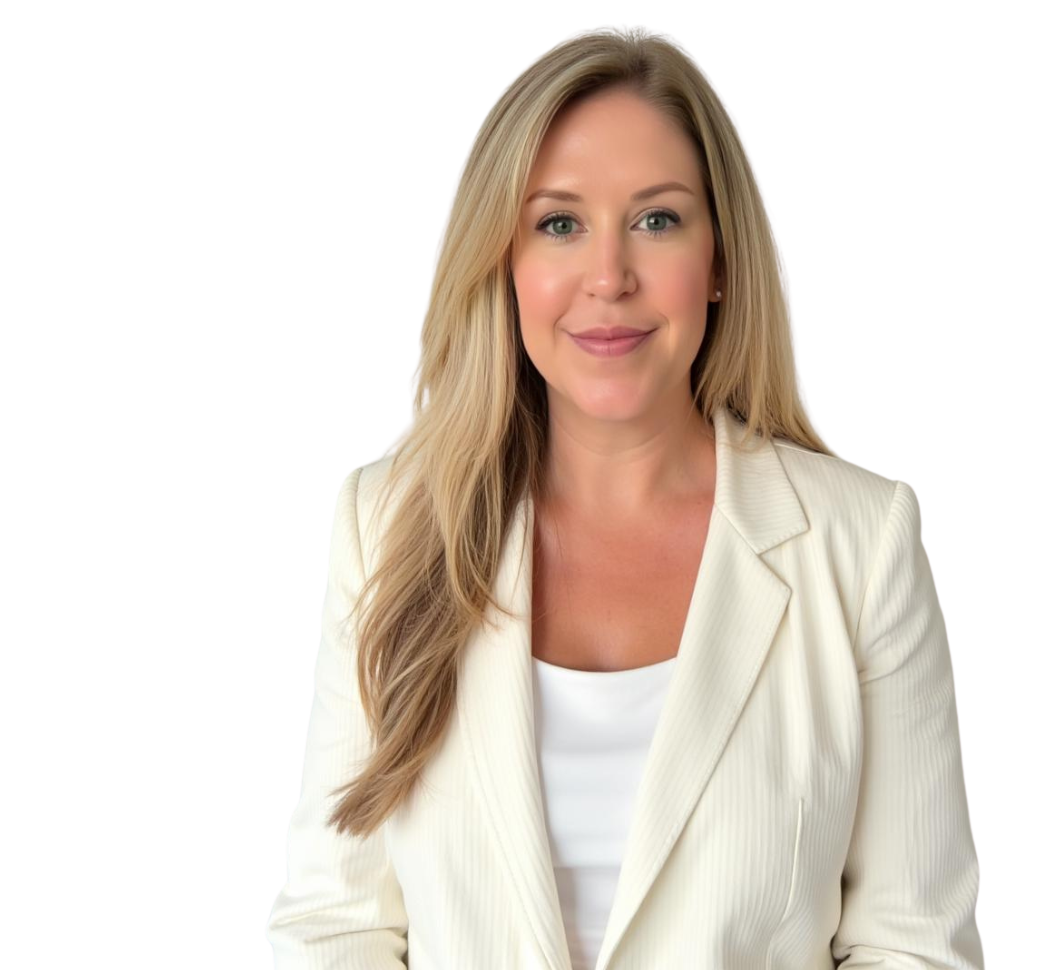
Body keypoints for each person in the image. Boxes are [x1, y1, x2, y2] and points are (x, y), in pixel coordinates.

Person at [264, 24, 984, 970]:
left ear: (722, 258)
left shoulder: (862, 542)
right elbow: (337, 927)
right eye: (559, 223)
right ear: (504, 260)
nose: (609, 278)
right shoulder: (388, 524)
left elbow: (915, 944)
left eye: (657, 219)